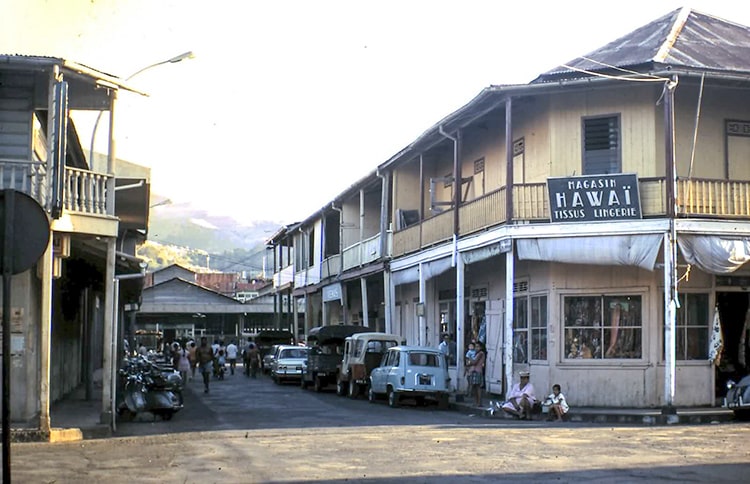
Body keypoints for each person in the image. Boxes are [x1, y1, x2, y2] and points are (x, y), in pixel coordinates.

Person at [466, 342, 486, 407]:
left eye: (478, 347)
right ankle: (476, 401)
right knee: (474, 387)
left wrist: (470, 359)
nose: (476, 348)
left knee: (478, 387)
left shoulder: (481, 353)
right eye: (476, 347)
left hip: (477, 371)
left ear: (481, 347)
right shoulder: (476, 353)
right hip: (473, 371)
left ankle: (479, 402)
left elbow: (474, 362)